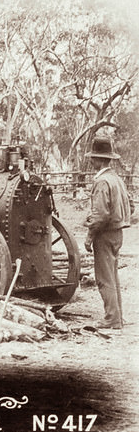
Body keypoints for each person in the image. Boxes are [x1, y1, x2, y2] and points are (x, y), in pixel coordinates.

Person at [83, 133, 131, 329]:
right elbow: (131, 205)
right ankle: (117, 316)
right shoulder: (116, 180)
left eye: (92, 158)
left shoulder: (102, 182)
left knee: (104, 278)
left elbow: (101, 214)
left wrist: (89, 236)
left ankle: (111, 319)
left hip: (105, 233)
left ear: (98, 159)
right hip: (117, 232)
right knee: (113, 275)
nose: (91, 161)